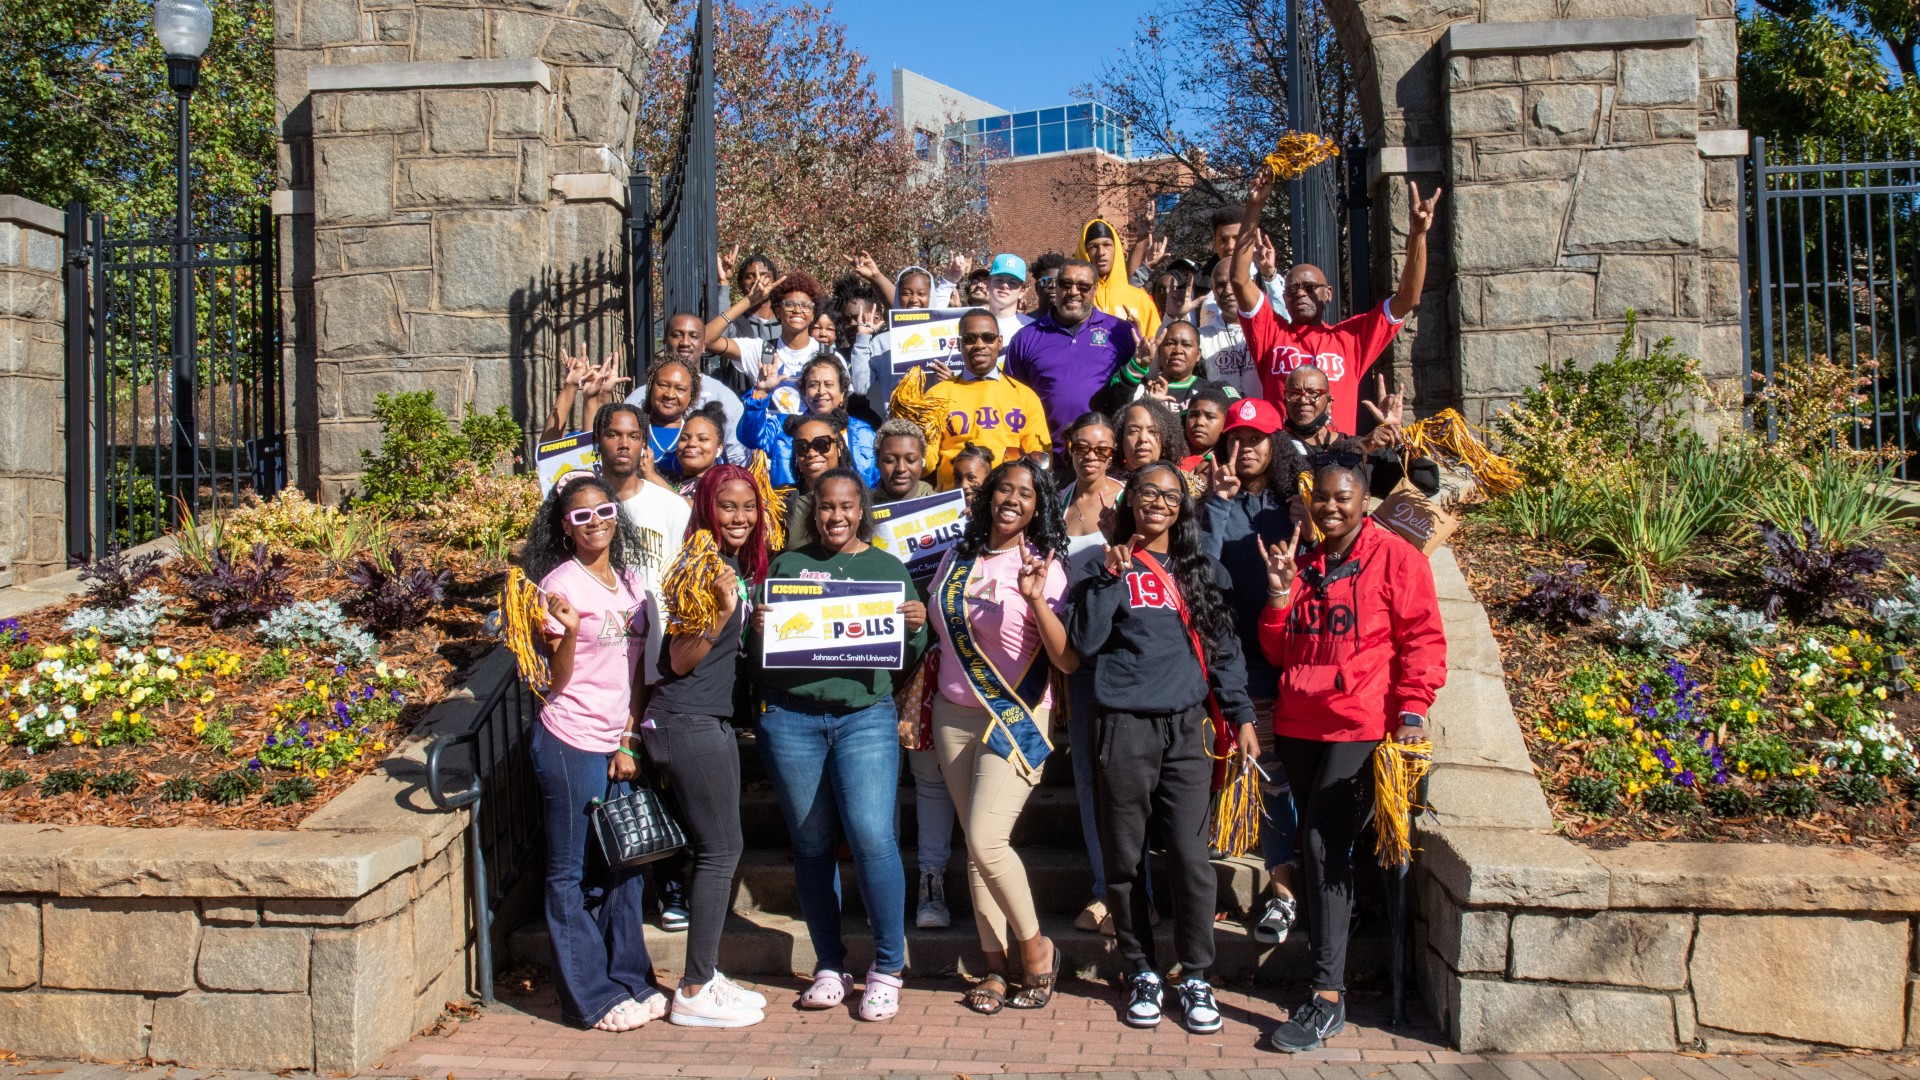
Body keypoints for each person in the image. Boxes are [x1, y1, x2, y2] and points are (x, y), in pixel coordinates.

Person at [1257, 452, 1447, 1053]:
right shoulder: (1306, 561)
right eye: (1322, 498)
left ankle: (1327, 995)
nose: (1331, 507)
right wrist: (1280, 595)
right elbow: (1279, 653)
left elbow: (1422, 638)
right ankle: (1331, 956)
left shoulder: (1397, 558)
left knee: (1321, 844)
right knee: (1317, 851)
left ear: (1364, 501)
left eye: (1344, 497)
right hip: (1299, 723)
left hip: (1360, 727)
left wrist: (1413, 711)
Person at [1067, 462, 1258, 1033]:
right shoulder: (1101, 571)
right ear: (1130, 502)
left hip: (1186, 729)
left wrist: (1242, 714)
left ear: (1183, 507)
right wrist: (1106, 576)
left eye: (1171, 495)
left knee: (1191, 859)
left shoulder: (1204, 571)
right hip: (1124, 726)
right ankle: (1142, 969)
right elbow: (1083, 643)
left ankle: (1196, 974)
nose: (1158, 502)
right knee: (1123, 861)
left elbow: (1224, 652)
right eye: (1147, 492)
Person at [752, 469, 930, 1022]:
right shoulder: (786, 566)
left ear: (862, 511)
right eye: (826, 507)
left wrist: (918, 623)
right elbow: (759, 651)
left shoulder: (887, 568)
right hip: (791, 718)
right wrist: (757, 629)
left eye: (847, 507)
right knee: (810, 843)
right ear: (814, 511)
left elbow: (910, 650)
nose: (835, 517)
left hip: (863, 719)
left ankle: (887, 968)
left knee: (873, 835)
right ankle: (829, 965)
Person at [926, 457, 1076, 1014]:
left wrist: (1036, 597)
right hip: (953, 714)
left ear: (1039, 507)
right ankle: (994, 968)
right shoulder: (956, 556)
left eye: (1026, 494)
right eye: (1004, 489)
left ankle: (1037, 950)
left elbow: (1066, 658)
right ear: (989, 495)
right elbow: (942, 631)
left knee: (989, 841)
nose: (1012, 499)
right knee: (975, 848)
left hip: (1015, 716)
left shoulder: (1047, 566)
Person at [523, 473, 665, 1032]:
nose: (595, 523)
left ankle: (631, 980)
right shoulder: (557, 587)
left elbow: (634, 673)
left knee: (625, 864)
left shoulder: (631, 583)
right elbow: (552, 682)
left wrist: (628, 739)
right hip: (569, 738)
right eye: (581, 517)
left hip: (615, 741)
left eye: (603, 511)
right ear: (565, 527)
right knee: (569, 872)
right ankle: (590, 998)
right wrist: (573, 628)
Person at [649, 465, 773, 1028]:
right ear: (706, 507)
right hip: (689, 721)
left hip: (707, 720)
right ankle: (695, 987)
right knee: (720, 851)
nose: (740, 517)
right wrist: (724, 612)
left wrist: (749, 621)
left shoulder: (725, 566)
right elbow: (678, 659)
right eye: (728, 506)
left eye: (748, 507)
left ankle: (705, 973)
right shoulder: (702, 567)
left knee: (714, 850)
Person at [1198, 397, 1307, 946]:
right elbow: (1204, 570)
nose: (1243, 450)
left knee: (1285, 778)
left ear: (1276, 445)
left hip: (1296, 655)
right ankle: (1282, 888)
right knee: (1266, 775)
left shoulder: (1296, 503)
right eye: (1235, 439)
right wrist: (1217, 505)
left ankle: (1287, 891)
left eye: (1256, 439)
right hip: (1236, 659)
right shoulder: (1213, 501)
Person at [1231, 165, 1441, 435]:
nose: (1300, 294)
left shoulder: (1350, 338)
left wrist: (1418, 235)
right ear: (1283, 296)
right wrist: (1254, 207)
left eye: (1310, 287)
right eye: (1292, 289)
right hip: (1284, 456)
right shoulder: (1272, 333)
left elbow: (1408, 298)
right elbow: (1239, 279)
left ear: (1327, 293)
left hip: (1338, 459)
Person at [872, 417, 956, 928]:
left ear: (924, 460)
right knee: (879, 779)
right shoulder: (858, 507)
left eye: (909, 458)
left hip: (932, 660)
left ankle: (931, 880)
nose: (899, 467)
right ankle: (880, 881)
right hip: (875, 662)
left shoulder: (949, 510)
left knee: (928, 778)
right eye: (889, 458)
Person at [1006, 259, 1140, 457]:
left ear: (1095, 289)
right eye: (1065, 284)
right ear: (1056, 287)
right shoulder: (1026, 337)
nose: (1073, 292)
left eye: (1083, 286)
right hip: (1046, 457)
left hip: (1103, 458)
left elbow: (1141, 386)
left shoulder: (1120, 332)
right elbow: (1012, 403)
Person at [923, 310, 1052, 490]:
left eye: (988, 337)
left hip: (1005, 502)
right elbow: (927, 460)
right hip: (954, 501)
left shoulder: (1025, 396)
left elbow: (1039, 458)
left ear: (999, 342)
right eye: (970, 339)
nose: (979, 345)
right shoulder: (936, 395)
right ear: (959, 344)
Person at [625, 313, 750, 468]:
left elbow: (738, 458)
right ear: (665, 340)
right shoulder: (639, 397)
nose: (685, 342)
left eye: (693, 336)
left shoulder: (723, 397)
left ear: (704, 344)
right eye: (677, 335)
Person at [740, 354, 878, 489]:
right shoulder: (784, 427)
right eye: (813, 385)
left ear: (842, 393)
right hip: (794, 508)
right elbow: (750, 437)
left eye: (829, 384)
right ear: (804, 393)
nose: (821, 391)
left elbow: (876, 481)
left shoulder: (864, 432)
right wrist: (761, 391)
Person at [707, 271, 829, 399]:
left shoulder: (828, 355)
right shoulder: (761, 350)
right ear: (778, 311)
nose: (797, 310)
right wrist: (748, 302)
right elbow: (707, 339)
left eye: (806, 306)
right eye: (789, 304)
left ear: (813, 314)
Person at [1096, 320, 1240, 416]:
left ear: (1198, 355)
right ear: (1159, 351)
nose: (1178, 350)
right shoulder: (1140, 390)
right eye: (1170, 343)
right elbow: (1104, 408)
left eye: (1187, 345)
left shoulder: (1216, 391)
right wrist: (1136, 366)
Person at [851, 262, 942, 410]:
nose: (914, 299)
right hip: (896, 429)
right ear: (898, 298)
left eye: (921, 293)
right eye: (906, 293)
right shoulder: (881, 342)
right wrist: (862, 339)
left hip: (935, 427)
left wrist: (949, 379)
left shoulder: (943, 336)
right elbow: (860, 387)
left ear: (930, 297)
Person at [1075, 218, 1161, 341]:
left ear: (1116, 249)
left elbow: (1156, 347)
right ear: (1084, 252)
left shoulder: (1140, 299)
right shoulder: (1074, 297)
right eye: (1093, 247)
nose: (1101, 252)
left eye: (1107, 245)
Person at [780, 414, 853, 550]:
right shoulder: (779, 500)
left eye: (821, 444)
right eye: (802, 447)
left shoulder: (862, 496)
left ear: (839, 447)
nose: (812, 453)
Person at [718, 250, 782, 345]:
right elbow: (717, 338)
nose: (757, 280)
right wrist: (724, 282)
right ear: (740, 284)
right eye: (750, 276)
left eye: (764, 276)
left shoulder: (786, 320)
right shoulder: (735, 320)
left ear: (775, 282)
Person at [873, 419, 936, 506]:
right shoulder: (863, 509)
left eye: (911, 460)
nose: (901, 468)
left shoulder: (940, 506)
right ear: (877, 462)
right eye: (890, 460)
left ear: (922, 462)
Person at [1114, 399, 1186, 476]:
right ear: (1120, 438)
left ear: (1166, 439)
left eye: (1152, 431)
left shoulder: (1182, 483)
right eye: (1134, 431)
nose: (1143, 438)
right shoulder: (1103, 481)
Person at [983, 254, 1035, 354]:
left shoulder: (1032, 328)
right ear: (988, 285)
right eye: (999, 280)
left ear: (1022, 292)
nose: (1005, 286)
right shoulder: (970, 320)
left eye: (1013, 283)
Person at [672, 408, 728, 497]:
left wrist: (652, 476)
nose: (691, 443)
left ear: (719, 449)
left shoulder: (724, 487)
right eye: (684, 438)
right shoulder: (666, 479)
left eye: (703, 439)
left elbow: (700, 510)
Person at [1181, 387, 1231, 471]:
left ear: (1225, 423)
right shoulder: (1169, 456)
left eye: (1210, 417)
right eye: (1194, 415)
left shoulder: (1227, 464)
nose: (1199, 422)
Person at [1027, 252, 1067, 321]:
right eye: (1046, 281)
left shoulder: (1073, 324)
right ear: (1037, 287)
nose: (1053, 286)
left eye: (1059, 281)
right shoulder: (1025, 323)